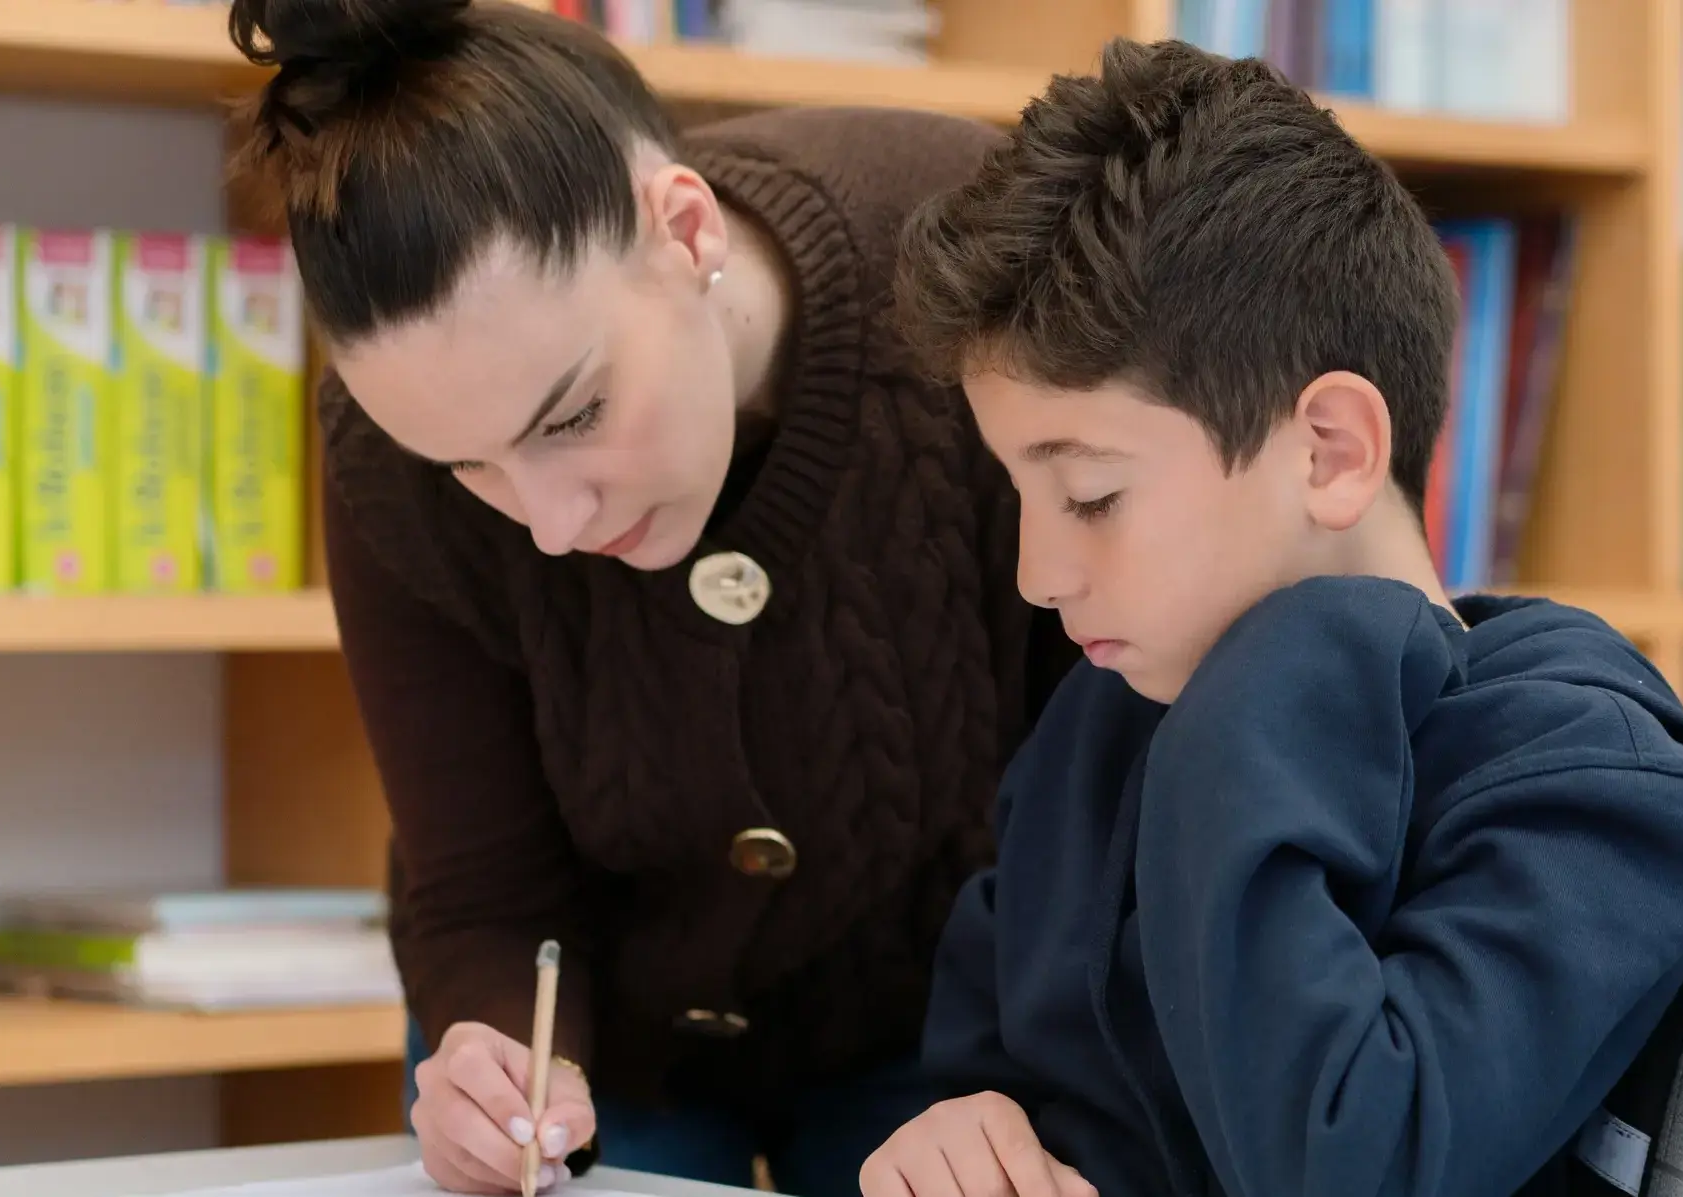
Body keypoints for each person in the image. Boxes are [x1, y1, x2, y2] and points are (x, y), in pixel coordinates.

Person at [859, 38, 1683, 1197]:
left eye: (1090, 495)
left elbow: (1346, 1165)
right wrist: (959, 1131)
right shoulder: (1100, 729)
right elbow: (995, 1069)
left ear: (1329, 452)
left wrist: (1284, 666)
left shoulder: (1597, 788)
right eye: (1019, 495)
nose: (1038, 572)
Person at [222, 2, 1080, 1194]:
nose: (552, 522)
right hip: (605, 1053)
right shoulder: (381, 458)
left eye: (571, 416)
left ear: (682, 227)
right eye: (466, 468)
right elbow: (481, 884)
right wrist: (495, 1065)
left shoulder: (975, 274)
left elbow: (1118, 775)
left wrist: (1037, 1073)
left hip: (966, 1034)